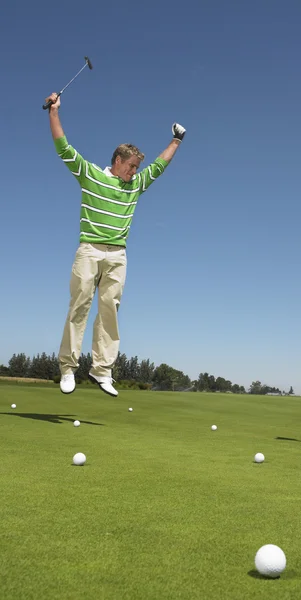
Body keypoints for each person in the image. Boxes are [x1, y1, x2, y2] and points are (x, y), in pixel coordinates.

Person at [45, 92, 186, 397]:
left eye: (137, 168)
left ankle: (102, 370)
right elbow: (64, 149)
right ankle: (68, 369)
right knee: (79, 306)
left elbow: (159, 167)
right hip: (90, 250)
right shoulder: (91, 175)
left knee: (110, 309)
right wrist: (53, 113)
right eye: (132, 166)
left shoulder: (135, 185)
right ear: (118, 160)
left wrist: (176, 141)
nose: (134, 172)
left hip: (118, 255)